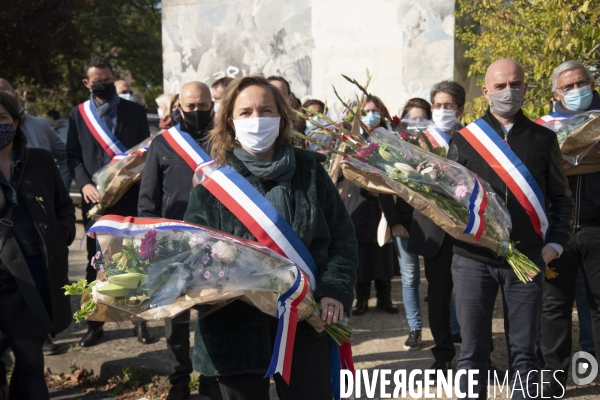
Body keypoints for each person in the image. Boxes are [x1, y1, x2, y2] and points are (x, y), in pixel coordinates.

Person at [183, 75, 357, 399]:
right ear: (230, 121)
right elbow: (192, 258)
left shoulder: (310, 171)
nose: (257, 119)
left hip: (306, 319)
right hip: (235, 334)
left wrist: (335, 289)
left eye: (266, 110)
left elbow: (342, 238)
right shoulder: (212, 185)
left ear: (281, 117)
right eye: (246, 112)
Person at [448, 58, 574, 399]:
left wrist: (556, 245)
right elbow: (447, 200)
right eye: (500, 86)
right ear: (486, 91)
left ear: (526, 88)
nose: (509, 92)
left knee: (524, 353)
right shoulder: (464, 139)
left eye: (515, 84)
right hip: (472, 259)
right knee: (472, 352)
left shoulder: (544, 139)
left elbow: (562, 199)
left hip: (528, 259)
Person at [138, 81, 220, 400]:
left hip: (217, 244)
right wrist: (149, 242)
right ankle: (179, 381)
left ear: (212, 105)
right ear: (178, 107)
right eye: (191, 106)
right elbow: (148, 198)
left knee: (211, 315)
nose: (197, 112)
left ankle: (210, 378)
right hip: (174, 243)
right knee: (175, 318)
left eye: (203, 106)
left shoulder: (224, 141)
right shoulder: (163, 143)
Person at [66, 56, 151, 347]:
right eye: (97, 80)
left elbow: (144, 153)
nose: (103, 83)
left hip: (130, 198)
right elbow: (73, 156)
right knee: (96, 264)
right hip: (96, 200)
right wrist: (86, 183)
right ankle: (95, 324)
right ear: (86, 83)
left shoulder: (134, 111)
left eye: (107, 78)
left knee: (135, 261)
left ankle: (139, 322)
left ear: (113, 77)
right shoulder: (78, 114)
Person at [0, 90, 76, 399]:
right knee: (31, 359)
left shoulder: (40, 160)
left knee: (29, 358)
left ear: (16, 123)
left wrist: (63, 234)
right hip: (6, 278)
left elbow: (64, 206)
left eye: (2, 118)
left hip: (42, 271)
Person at [541, 60, 600, 396]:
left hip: (596, 227)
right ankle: (554, 378)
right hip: (558, 231)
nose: (578, 90)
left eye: (583, 82)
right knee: (554, 306)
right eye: (569, 86)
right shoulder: (543, 130)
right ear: (556, 93)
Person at [407, 83, 467, 372]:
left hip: (468, 232)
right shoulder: (417, 141)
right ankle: (442, 354)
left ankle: (478, 354)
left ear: (461, 109)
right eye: (438, 105)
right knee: (438, 298)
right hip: (433, 233)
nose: (443, 110)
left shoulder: (473, 140)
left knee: (473, 298)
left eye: (449, 105)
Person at [349, 97, 398, 316]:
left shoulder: (393, 137)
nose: (371, 114)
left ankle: (384, 298)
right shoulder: (352, 140)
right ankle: (361, 300)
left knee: (383, 252)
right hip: (359, 202)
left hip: (385, 202)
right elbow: (345, 168)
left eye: (374, 110)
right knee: (362, 254)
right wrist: (365, 185)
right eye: (366, 111)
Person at [0, 79, 70, 191]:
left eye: (2, 92)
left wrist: (60, 191)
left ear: (15, 95)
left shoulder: (40, 125)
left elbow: (66, 157)